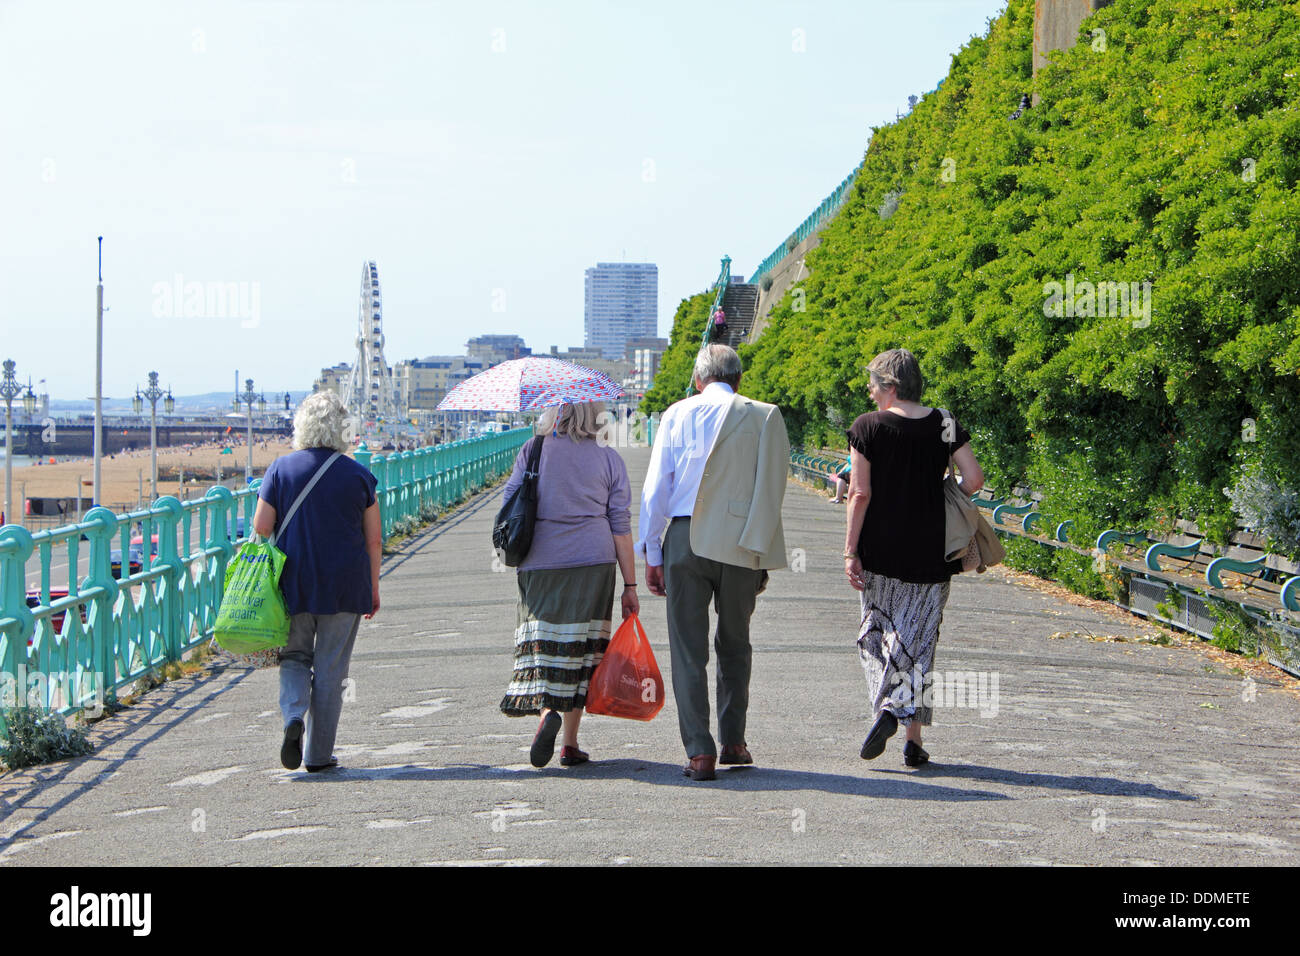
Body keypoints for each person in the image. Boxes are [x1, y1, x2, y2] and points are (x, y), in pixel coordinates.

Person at [637, 344, 790, 781]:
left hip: (684, 540)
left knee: (688, 649)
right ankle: (734, 741)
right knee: (735, 643)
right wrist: (758, 549)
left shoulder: (676, 414)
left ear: (699, 379)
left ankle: (699, 752)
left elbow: (655, 490)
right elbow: (771, 489)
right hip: (742, 542)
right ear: (739, 380)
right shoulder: (764, 416)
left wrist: (652, 550)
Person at [844, 348, 983, 769]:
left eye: (872, 384)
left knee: (877, 634)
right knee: (920, 641)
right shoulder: (944, 423)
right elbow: (973, 479)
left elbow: (859, 493)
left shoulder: (867, 427)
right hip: (931, 549)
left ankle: (888, 707)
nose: (870, 393)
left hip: (879, 550)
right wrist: (942, 493)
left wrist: (850, 551)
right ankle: (913, 741)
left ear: (889, 385)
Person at [498, 401, 637, 768]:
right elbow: (621, 526)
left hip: (540, 562)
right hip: (594, 562)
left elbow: (509, 501)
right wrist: (631, 585)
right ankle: (571, 744)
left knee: (545, 643)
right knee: (582, 650)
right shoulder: (609, 458)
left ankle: (547, 714)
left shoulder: (534, 448)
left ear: (555, 412)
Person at [253, 390, 381, 773]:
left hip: (293, 584)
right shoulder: (359, 475)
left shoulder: (280, 469)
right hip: (345, 585)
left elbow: (261, 526)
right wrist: (373, 588)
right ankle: (318, 755)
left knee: (294, 656)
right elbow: (373, 539)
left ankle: (293, 717)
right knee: (331, 670)